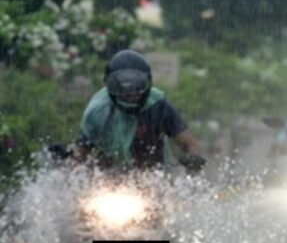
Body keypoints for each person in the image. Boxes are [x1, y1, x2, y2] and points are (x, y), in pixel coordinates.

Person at [75, 49, 204, 171]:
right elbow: (80, 153)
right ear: (110, 86)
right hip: (108, 178)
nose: (130, 96)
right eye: (124, 92)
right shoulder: (97, 112)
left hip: (153, 173)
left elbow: (189, 143)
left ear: (147, 84)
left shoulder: (159, 105)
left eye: (135, 91)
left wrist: (193, 157)